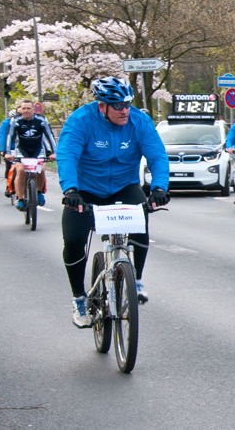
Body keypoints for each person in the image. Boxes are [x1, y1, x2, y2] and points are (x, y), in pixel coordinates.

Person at [57, 77, 170, 328]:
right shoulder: (81, 121)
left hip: (123, 185)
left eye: (127, 104)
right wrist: (70, 189)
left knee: (142, 220)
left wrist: (160, 187)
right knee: (74, 240)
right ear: (102, 106)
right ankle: (78, 298)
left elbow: (157, 155)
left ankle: (136, 280)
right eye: (117, 106)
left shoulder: (139, 121)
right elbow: (67, 155)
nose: (124, 110)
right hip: (85, 189)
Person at [4, 99, 57, 210]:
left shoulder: (41, 120)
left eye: (28, 108)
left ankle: (38, 192)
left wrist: (54, 152)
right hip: (22, 150)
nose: (26, 111)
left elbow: (50, 136)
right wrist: (7, 153)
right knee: (20, 171)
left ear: (33, 110)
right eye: (24, 108)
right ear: (20, 110)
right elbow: (10, 136)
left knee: (41, 170)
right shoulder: (16, 120)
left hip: (37, 150)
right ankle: (21, 199)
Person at [0, 108, 18, 197]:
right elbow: (2, 136)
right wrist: (2, 150)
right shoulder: (6, 123)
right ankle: (8, 186)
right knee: (9, 166)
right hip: (10, 148)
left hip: (20, 148)